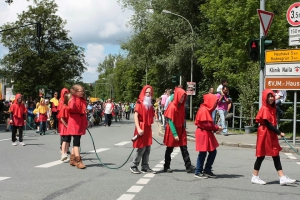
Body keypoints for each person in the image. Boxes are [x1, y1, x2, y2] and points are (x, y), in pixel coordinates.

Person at [251, 89, 296, 185]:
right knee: (261, 155)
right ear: (265, 98)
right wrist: (279, 132)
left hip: (270, 133)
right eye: (269, 97)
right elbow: (268, 124)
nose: (271, 98)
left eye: (272, 96)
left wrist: (276, 132)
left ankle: (282, 177)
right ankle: (255, 176)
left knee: (275, 154)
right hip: (265, 133)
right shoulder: (264, 109)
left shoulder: (272, 108)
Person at [163, 87, 195, 173]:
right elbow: (170, 121)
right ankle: (166, 166)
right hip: (173, 129)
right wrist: (174, 134)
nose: (182, 98)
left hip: (180, 129)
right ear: (177, 96)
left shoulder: (181, 107)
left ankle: (188, 166)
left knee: (184, 147)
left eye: (184, 97)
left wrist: (182, 130)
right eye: (181, 97)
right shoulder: (172, 107)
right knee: (169, 148)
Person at [194, 93, 222, 178]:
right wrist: (216, 127)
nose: (215, 104)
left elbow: (208, 125)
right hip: (203, 133)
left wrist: (215, 128)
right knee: (203, 152)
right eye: (214, 102)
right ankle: (198, 171)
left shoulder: (206, 109)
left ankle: (207, 170)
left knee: (212, 151)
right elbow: (206, 124)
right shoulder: (204, 110)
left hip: (206, 132)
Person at [130, 85, 156, 174]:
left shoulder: (149, 104)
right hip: (141, 126)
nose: (148, 94)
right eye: (147, 92)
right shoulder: (139, 103)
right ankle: (134, 165)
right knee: (141, 147)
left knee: (148, 148)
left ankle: (145, 166)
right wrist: (138, 128)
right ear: (143, 93)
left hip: (148, 127)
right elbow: (136, 116)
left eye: (150, 92)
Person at [67, 84, 88, 169]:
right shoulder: (72, 99)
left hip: (80, 120)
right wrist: (73, 98)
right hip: (74, 121)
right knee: (76, 141)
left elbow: (83, 109)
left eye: (83, 91)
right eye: (80, 91)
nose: (82, 92)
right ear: (75, 92)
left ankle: (72, 159)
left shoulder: (82, 100)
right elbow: (71, 107)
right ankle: (78, 160)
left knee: (77, 138)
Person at [57, 93, 70, 161]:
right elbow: (62, 118)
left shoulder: (68, 107)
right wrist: (66, 125)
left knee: (68, 140)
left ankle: (66, 152)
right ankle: (63, 153)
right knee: (65, 140)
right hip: (65, 127)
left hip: (69, 126)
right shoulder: (64, 107)